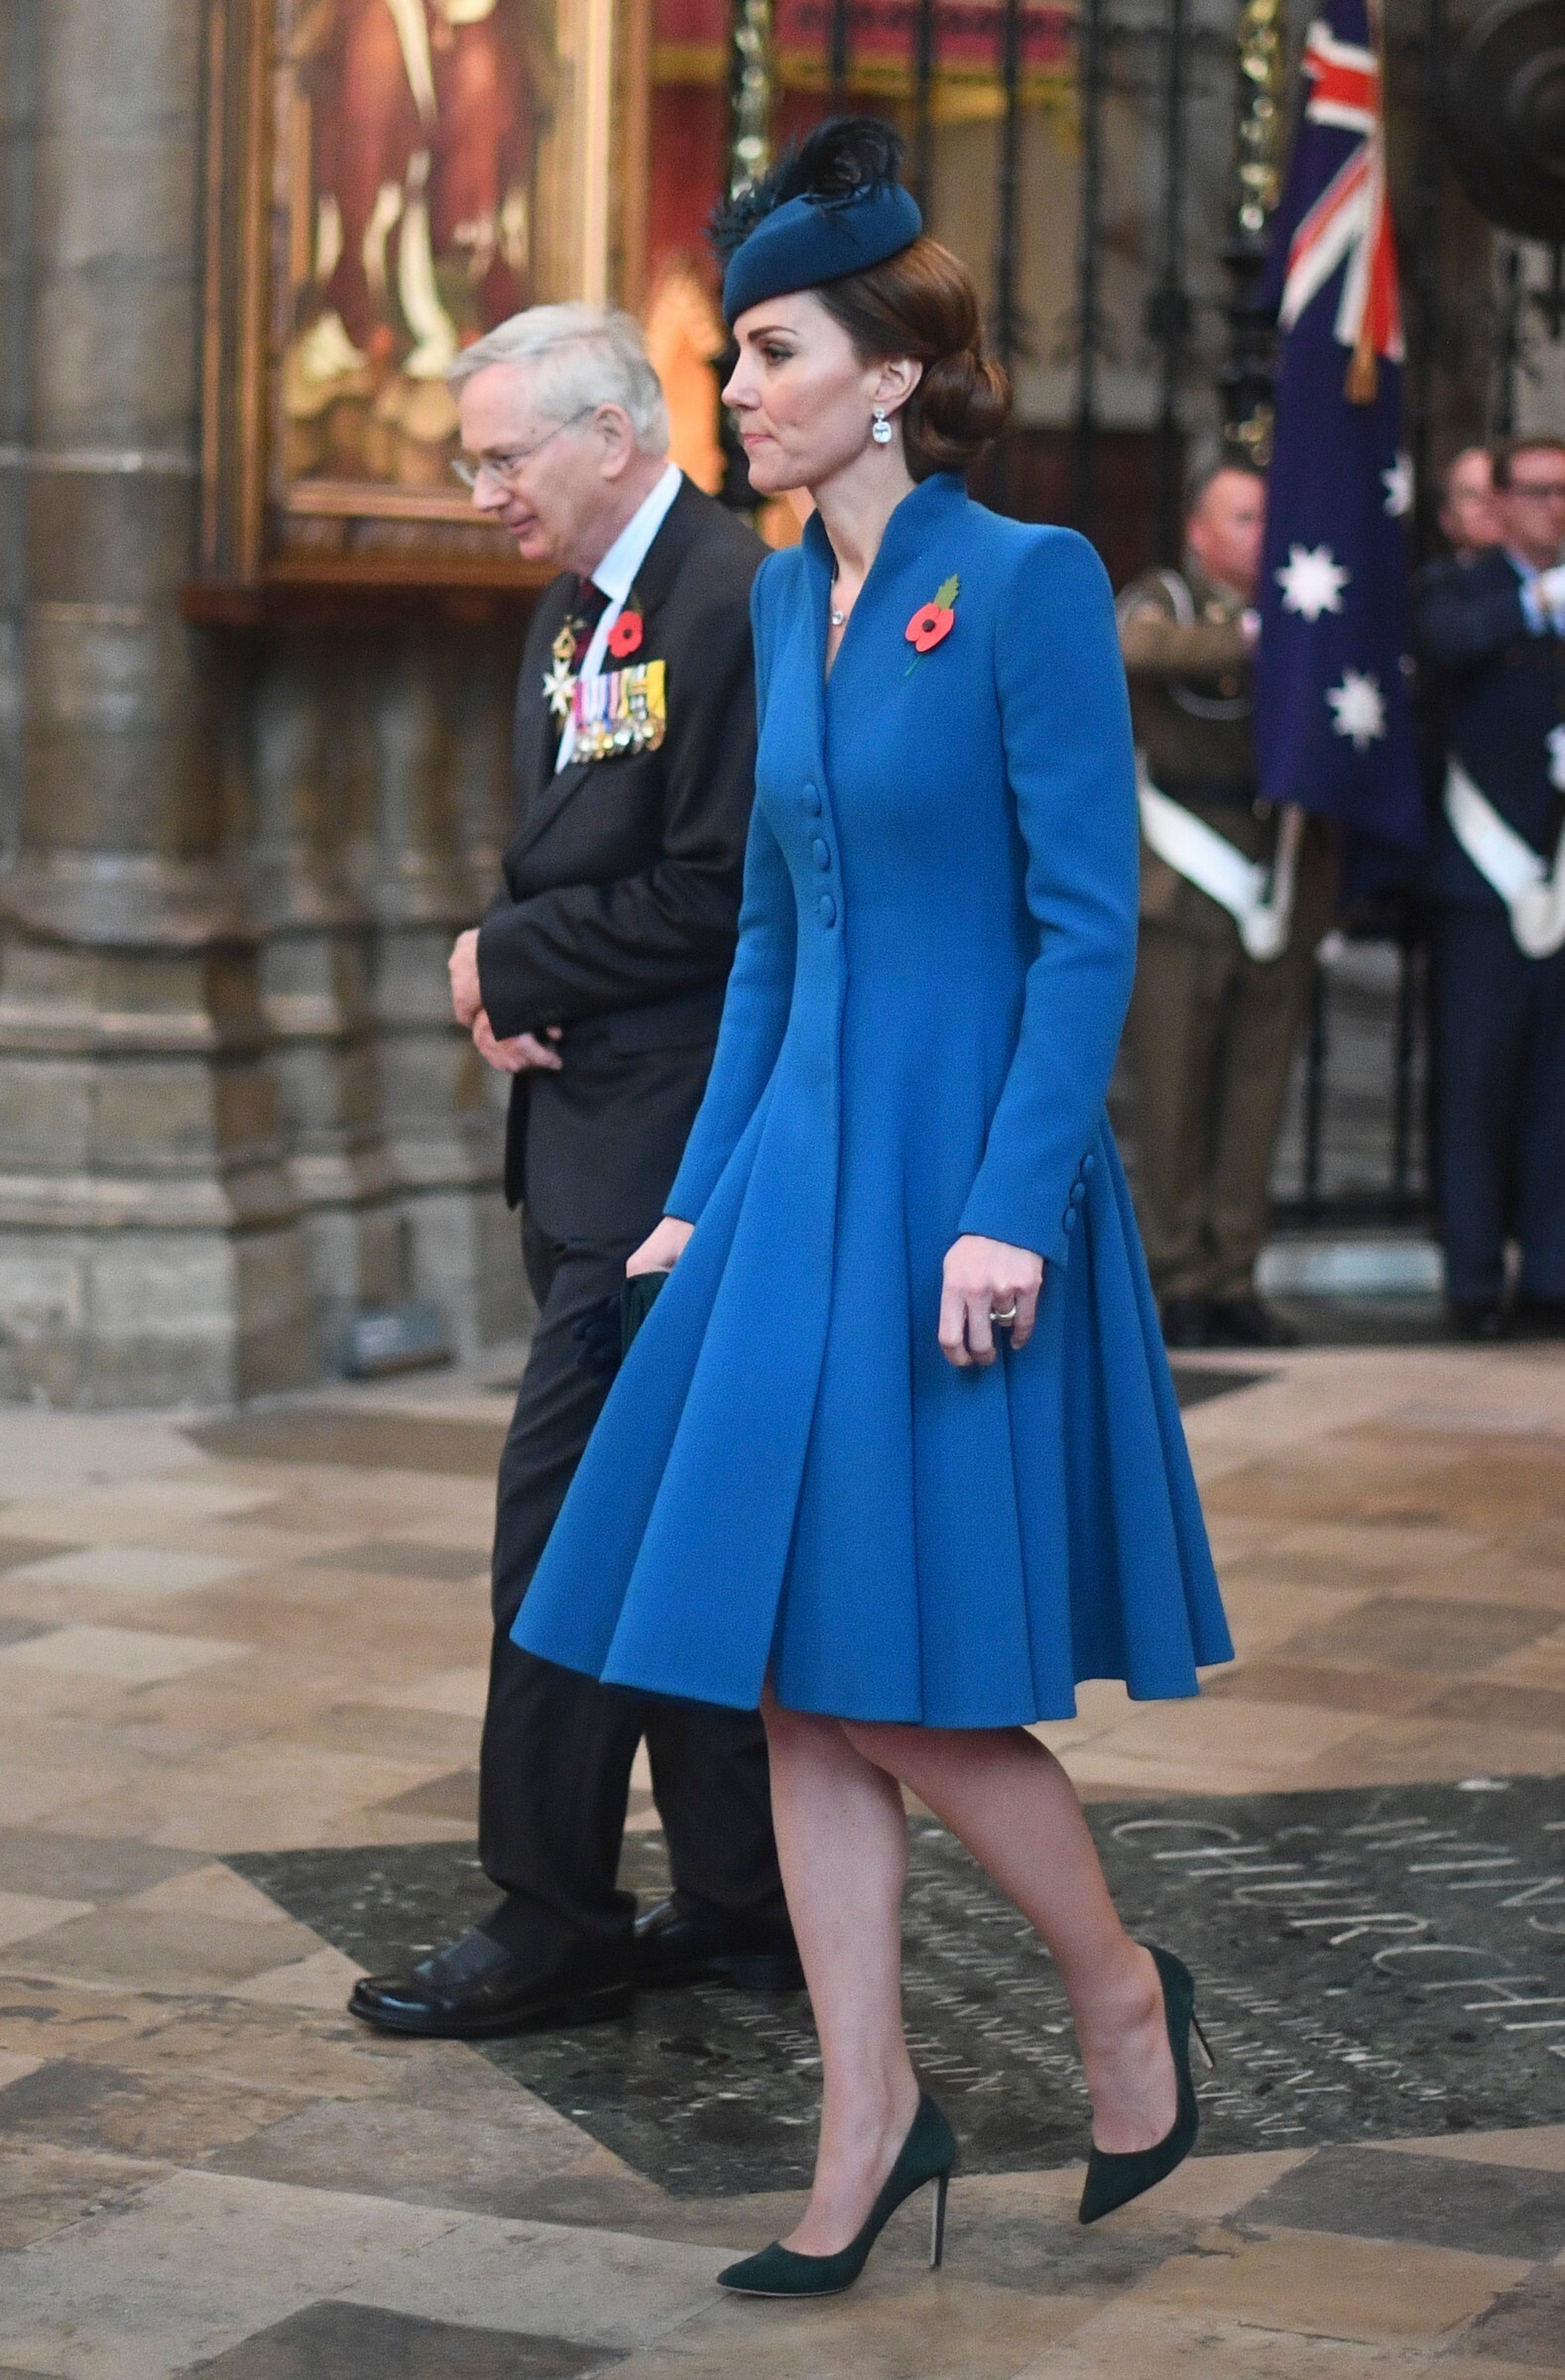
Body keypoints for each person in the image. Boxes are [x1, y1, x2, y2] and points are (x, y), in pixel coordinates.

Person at [508, 122, 1233, 2296]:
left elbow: (1084, 929)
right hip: (795, 1186)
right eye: (736, 354)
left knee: (898, 1678)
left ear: (889, 374)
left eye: (773, 353)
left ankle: (1121, 1999)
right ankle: (870, 2118)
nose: (736, 388)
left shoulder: (1021, 584)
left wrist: (1012, 1209)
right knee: (791, 1678)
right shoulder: (783, 604)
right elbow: (771, 941)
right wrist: (699, 1200)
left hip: (952, 1186)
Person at [349, 304, 799, 2042]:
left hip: (670, 1160)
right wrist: (511, 976)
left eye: (500, 458)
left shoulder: (730, 600)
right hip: (583, 1133)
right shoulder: (572, 609)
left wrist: (506, 960)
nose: (481, 493)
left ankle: (548, 1916)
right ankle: (741, 1901)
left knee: (560, 1540)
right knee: (668, 1531)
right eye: (471, 462)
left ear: (611, 433)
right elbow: (566, 851)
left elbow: (724, 891)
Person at [1118, 466, 1337, 1350]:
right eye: (1242, 518)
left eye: (1270, 517)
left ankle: (1233, 1274)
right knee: (1171, 1094)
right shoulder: (1166, 598)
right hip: (1182, 879)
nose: (1262, 533)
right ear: (1198, 530)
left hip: (1274, 866)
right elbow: (1133, 650)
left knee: (1255, 1092)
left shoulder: (1312, 611)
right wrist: (1249, 637)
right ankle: (1176, 1275)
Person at [1413, 434, 1565, 1340]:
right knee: (1474, 1087)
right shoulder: (1460, 587)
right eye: (1539, 491)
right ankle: (1473, 1278)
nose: (1556, 508)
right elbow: (1444, 648)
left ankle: (1551, 1272)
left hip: (1561, 868)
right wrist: (1534, 603)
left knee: (1556, 1089)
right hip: (1481, 880)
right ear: (1500, 503)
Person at [1437, 445, 1502, 564]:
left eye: (1496, 491)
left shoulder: (1538, 575)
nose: (1488, 501)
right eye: (1471, 494)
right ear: (1446, 519)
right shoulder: (1435, 576)